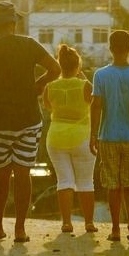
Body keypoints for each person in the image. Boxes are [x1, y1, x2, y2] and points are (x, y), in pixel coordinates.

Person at [0, 1, 61, 242]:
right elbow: (55, 68)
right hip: (28, 119)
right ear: (14, 23)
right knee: (23, 173)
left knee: (1, 173)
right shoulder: (29, 44)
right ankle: (20, 230)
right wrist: (37, 86)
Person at [90, 30, 129, 243]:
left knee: (113, 184)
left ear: (110, 48)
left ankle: (116, 229)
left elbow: (96, 106)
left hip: (108, 136)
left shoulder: (100, 75)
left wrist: (93, 135)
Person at [43, 44, 98, 234]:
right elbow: (96, 101)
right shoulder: (85, 86)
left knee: (64, 180)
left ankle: (66, 223)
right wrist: (81, 76)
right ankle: (89, 223)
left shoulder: (49, 87)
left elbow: (48, 107)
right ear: (78, 66)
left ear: (59, 65)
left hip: (56, 138)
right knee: (86, 182)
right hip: (82, 138)